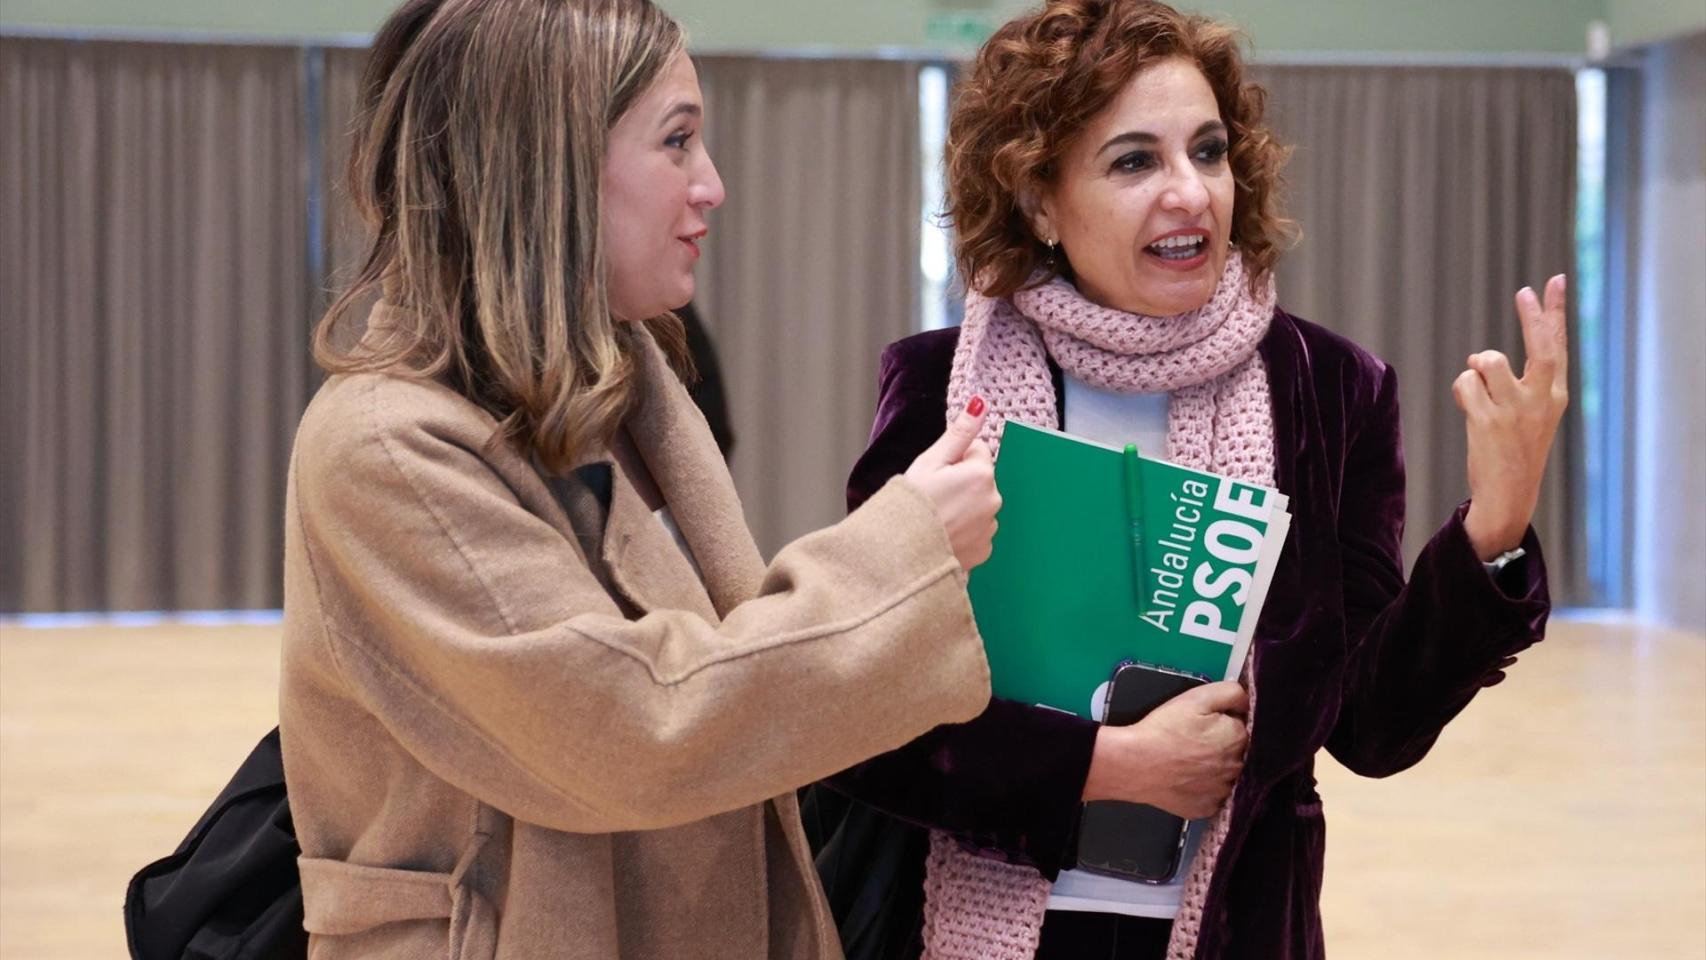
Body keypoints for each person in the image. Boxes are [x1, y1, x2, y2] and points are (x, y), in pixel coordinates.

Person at [808, 2, 1564, 958]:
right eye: (1134, 161)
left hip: (1229, 930)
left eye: (1207, 153)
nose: (1190, 193)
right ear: (1039, 200)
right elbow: (866, 724)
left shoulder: (1331, 390)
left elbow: (1372, 727)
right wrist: (1102, 766)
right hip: (983, 928)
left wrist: (1493, 529)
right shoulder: (939, 387)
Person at [278, 0, 1005, 956]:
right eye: (677, 142)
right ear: (549, 168)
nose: (712, 187)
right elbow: (631, 725)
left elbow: (728, 674)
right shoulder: (382, 450)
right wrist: (904, 551)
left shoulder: (624, 388)